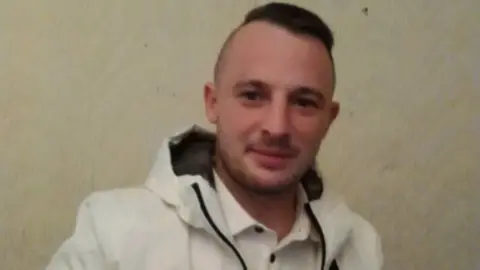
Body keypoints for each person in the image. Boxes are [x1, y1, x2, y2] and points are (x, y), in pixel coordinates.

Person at [46, 2, 383, 270]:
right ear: (213, 103)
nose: (277, 127)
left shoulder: (359, 246)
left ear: (329, 118)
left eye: (304, 102)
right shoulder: (112, 233)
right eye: (253, 95)